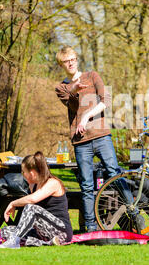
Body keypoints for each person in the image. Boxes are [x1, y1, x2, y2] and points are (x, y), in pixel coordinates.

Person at [54, 46, 140, 233]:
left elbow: (105, 101)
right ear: (61, 64)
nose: (71, 63)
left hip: (102, 137)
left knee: (115, 174)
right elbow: (73, 105)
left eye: (73, 59)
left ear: (77, 59)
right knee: (86, 185)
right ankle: (91, 228)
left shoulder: (93, 76)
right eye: (66, 61)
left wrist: (86, 117)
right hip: (81, 141)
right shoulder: (61, 87)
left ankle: (135, 215)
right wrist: (74, 89)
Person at [0, 151, 73, 249]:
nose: (23, 174)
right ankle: (47, 243)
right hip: (43, 232)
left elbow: (33, 199)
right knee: (6, 231)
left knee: (31, 208)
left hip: (61, 231)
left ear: (32, 173)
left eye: (23, 171)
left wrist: (13, 203)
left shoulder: (53, 183)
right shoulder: (34, 185)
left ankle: (14, 241)